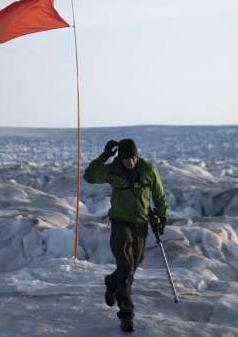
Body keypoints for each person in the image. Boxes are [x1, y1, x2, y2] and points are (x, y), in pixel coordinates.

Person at [83, 138, 168, 333]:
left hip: (141, 224)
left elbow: (159, 195)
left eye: (132, 158)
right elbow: (90, 176)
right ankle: (126, 315)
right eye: (125, 158)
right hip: (120, 223)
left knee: (133, 265)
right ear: (119, 158)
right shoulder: (112, 170)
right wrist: (104, 156)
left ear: (137, 155)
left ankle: (112, 282)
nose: (130, 162)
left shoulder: (148, 170)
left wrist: (162, 217)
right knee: (126, 267)